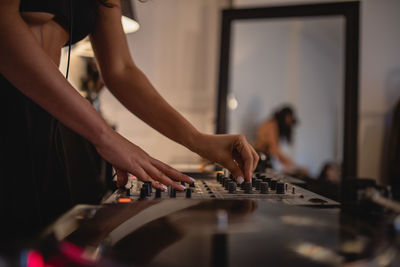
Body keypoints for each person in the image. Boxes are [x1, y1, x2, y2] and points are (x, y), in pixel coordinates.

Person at [0, 0, 258, 246]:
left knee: (46, 245)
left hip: (44, 119)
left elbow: (120, 68)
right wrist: (106, 137)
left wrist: (198, 141)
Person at [253, 105, 302, 173]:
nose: (289, 124)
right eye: (289, 120)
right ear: (286, 116)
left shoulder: (273, 125)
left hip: (263, 158)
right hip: (260, 159)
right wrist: (296, 167)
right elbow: (274, 150)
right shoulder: (272, 124)